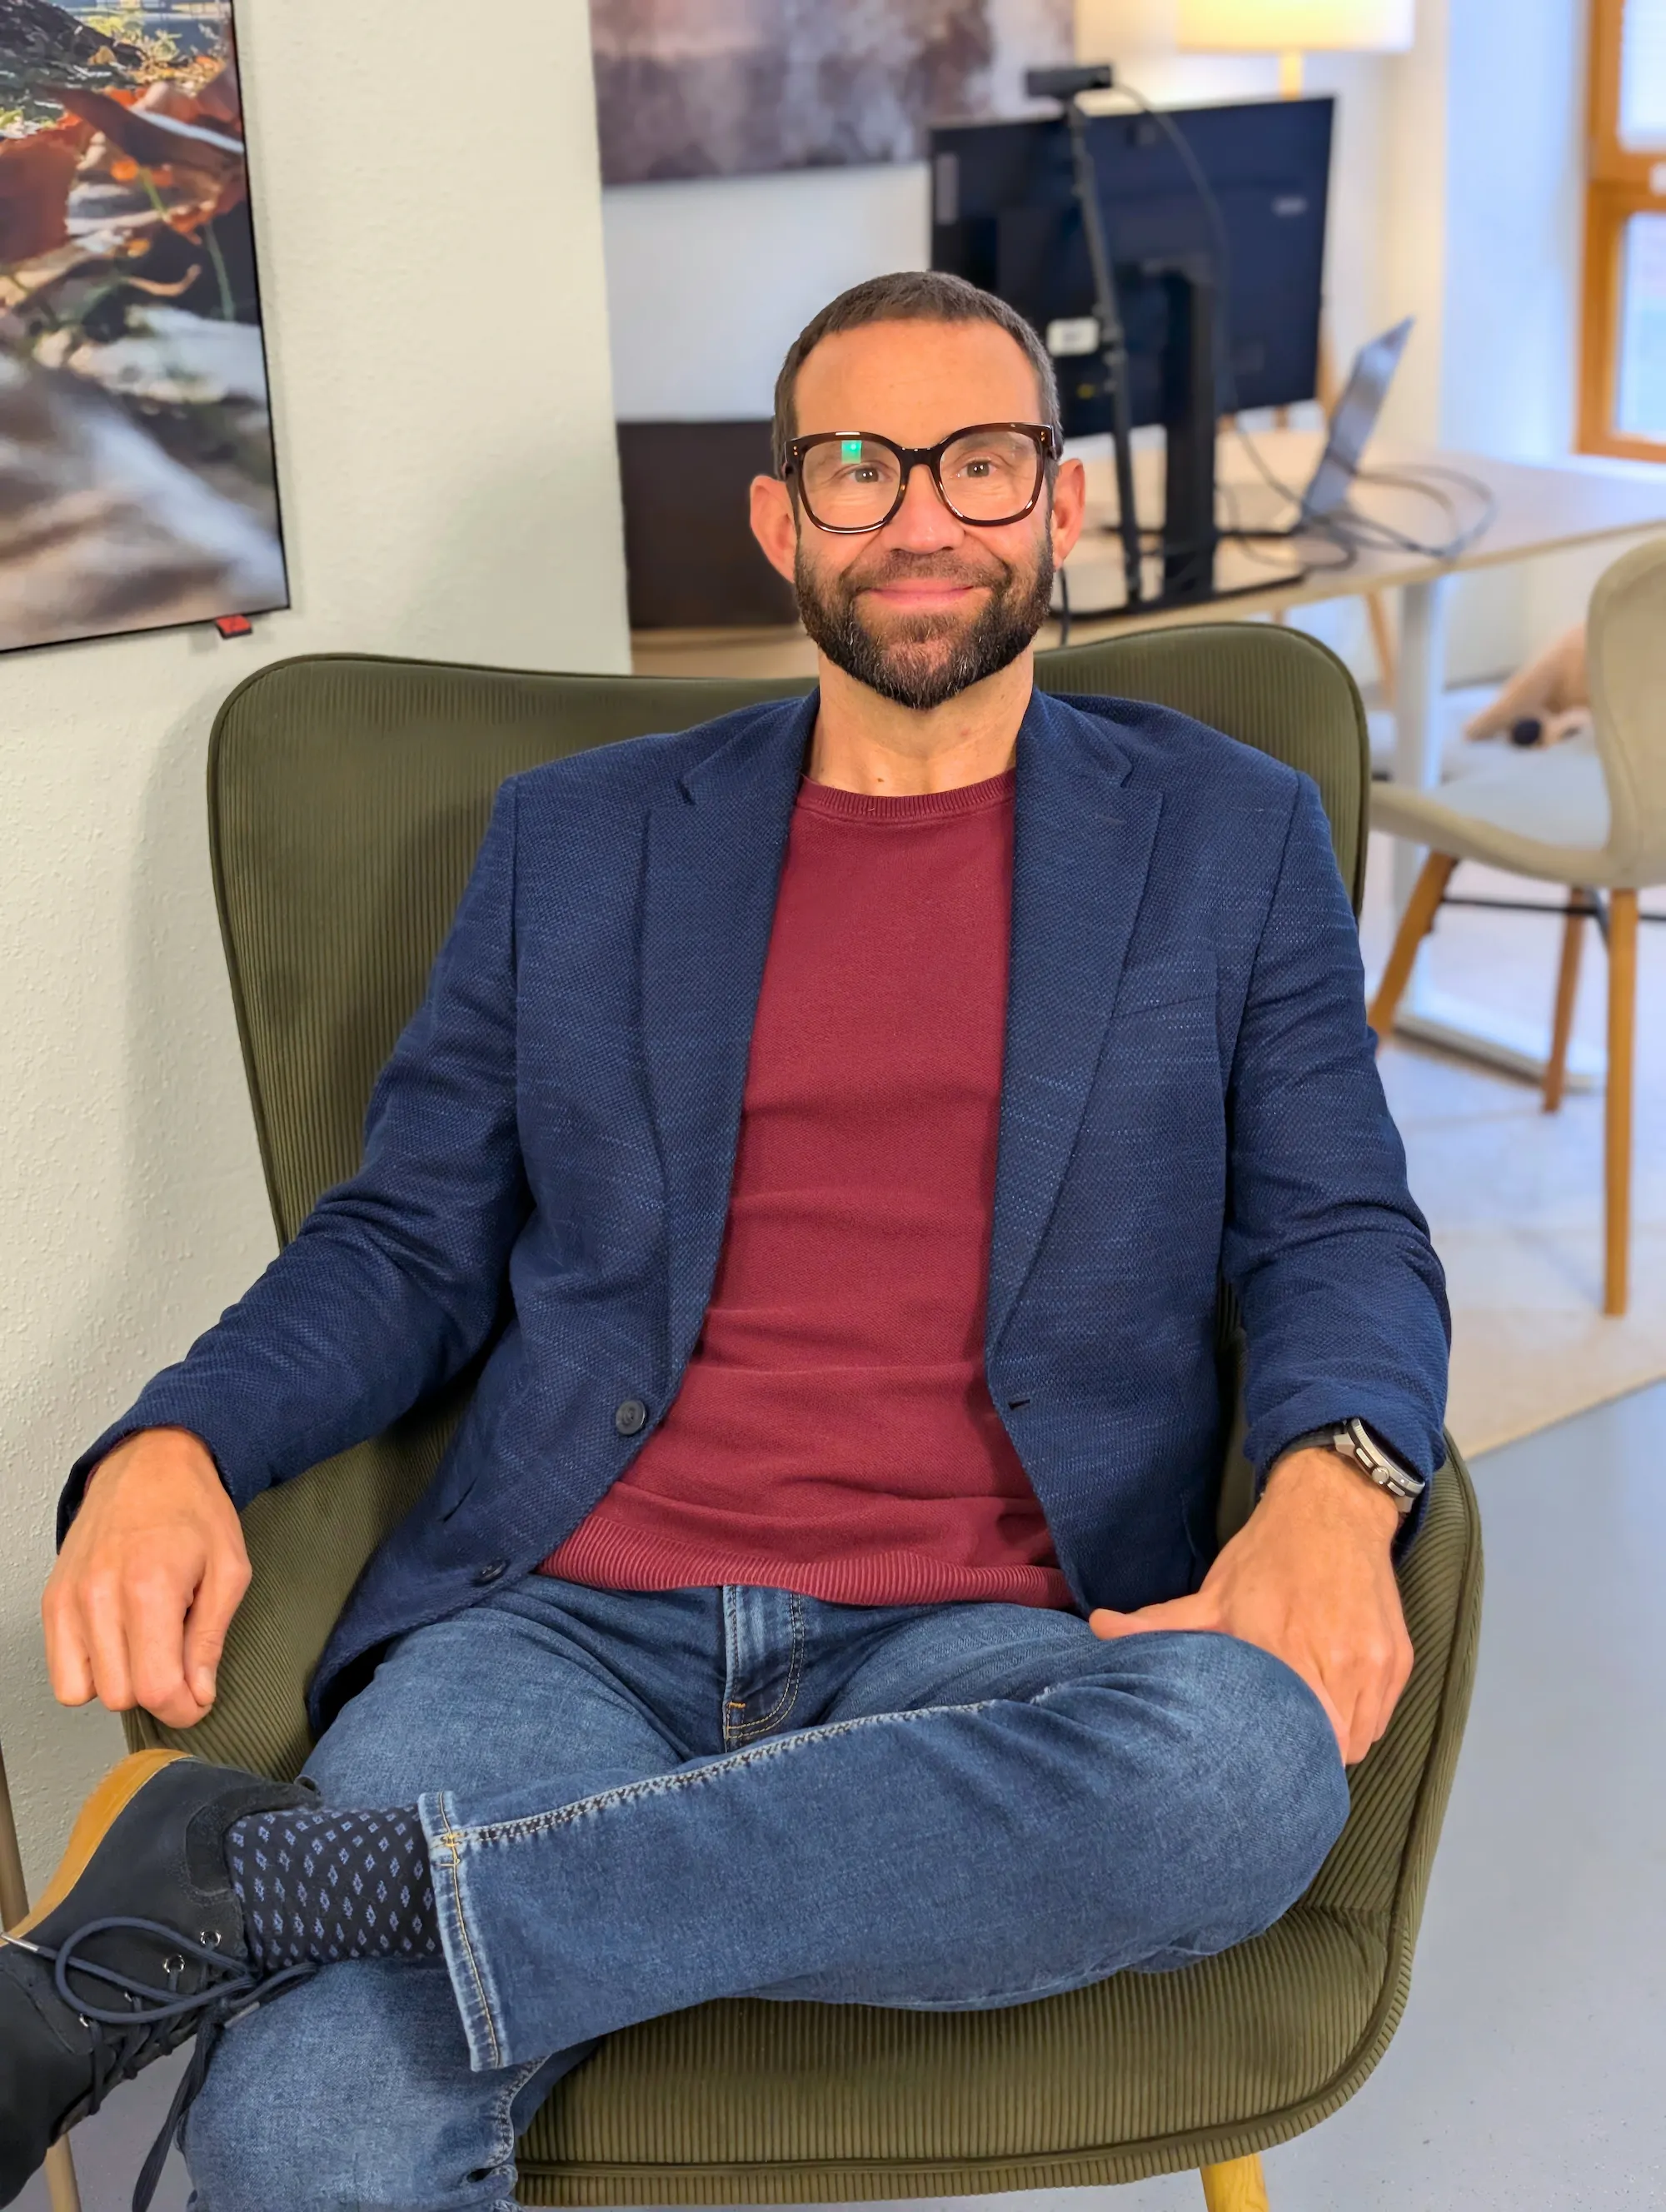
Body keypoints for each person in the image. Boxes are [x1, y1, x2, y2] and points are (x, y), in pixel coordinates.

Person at [1, 271, 1448, 2212]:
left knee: (1236, 1766)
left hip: (990, 1631)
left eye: (980, 461)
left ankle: (294, 1886)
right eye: (858, 465)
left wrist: (1338, 1479)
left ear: (1059, 502)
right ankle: (521, 1885)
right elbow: (408, 1237)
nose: (921, 516)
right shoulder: (579, 840)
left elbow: (1339, 1224)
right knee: (297, 2136)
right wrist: (178, 1433)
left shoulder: (1227, 835)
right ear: (781, 516)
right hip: (560, 1620)